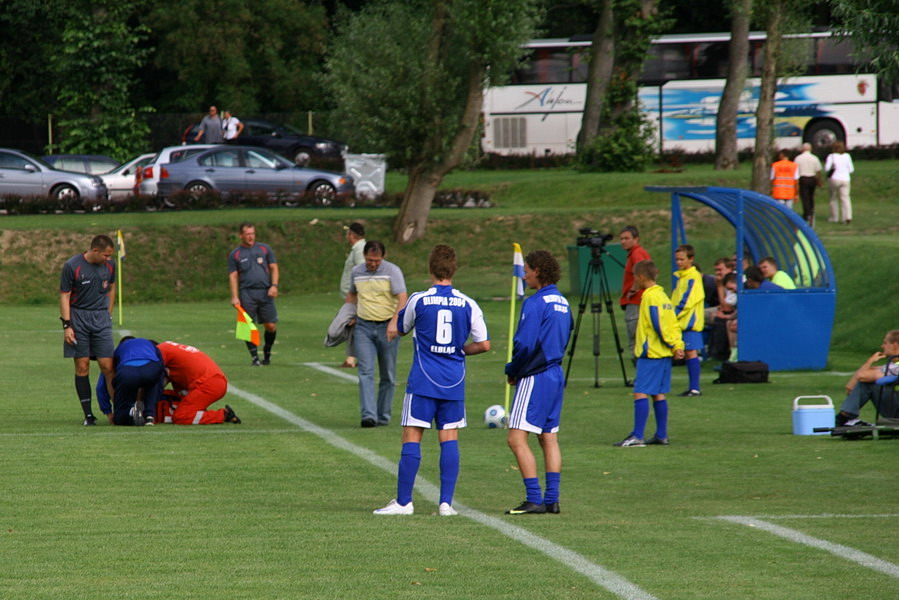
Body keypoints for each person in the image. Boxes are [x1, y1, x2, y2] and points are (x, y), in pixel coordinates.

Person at [373, 245, 491, 516]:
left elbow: (401, 329)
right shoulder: (468, 303)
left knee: (412, 436)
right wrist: (461, 350)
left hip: (423, 380)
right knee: (448, 437)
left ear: (430, 269)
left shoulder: (419, 299)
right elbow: (483, 344)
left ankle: (404, 503)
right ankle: (446, 504)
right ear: (454, 269)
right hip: (453, 380)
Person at [504, 250, 572, 515]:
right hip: (555, 374)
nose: (524, 274)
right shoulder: (563, 302)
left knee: (515, 438)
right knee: (548, 437)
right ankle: (552, 499)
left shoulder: (535, 303)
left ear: (538, 272)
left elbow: (524, 343)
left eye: (528, 270)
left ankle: (534, 498)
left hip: (536, 375)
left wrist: (513, 369)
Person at [614, 260, 684, 447]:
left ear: (641, 277)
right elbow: (672, 323)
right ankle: (661, 435)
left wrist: (672, 344)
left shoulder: (651, 297)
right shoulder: (663, 296)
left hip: (651, 353)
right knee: (658, 393)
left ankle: (637, 436)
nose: (633, 281)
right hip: (663, 354)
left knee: (640, 392)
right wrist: (677, 345)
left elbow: (658, 325)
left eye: (634, 278)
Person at [345, 240, 407, 428]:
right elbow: (352, 294)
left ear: (383, 257)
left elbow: (402, 297)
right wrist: (348, 314)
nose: (373, 264)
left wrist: (394, 323)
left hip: (386, 327)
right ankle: (368, 416)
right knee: (365, 371)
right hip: (363, 327)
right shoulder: (357, 272)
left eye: (377, 260)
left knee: (388, 374)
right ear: (364, 257)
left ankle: (383, 415)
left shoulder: (392, 271)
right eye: (370, 260)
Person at [60, 234, 117, 426]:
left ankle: (118, 411)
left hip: (101, 319)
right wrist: (67, 325)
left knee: (108, 366)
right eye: (106, 255)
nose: (108, 259)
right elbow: (65, 296)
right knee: (82, 365)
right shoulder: (72, 266)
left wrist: (107, 314)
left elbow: (111, 289)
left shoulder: (110, 266)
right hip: (78, 319)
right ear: (95, 251)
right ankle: (88, 415)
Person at [229, 223, 279, 366]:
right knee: (249, 326)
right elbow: (233, 276)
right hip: (247, 293)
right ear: (241, 235)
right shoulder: (236, 254)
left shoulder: (264, 249)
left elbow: (274, 267)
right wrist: (234, 296)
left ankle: (267, 352)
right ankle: (254, 357)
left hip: (265, 292)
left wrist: (274, 285)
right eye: (247, 234)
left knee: (270, 325)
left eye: (252, 233)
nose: (251, 237)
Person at [157, 341, 241, 425]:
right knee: (179, 399)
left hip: (208, 383)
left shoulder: (161, 350)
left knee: (180, 416)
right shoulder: (168, 349)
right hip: (211, 380)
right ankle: (200, 412)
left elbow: (155, 380)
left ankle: (223, 415)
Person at [835, 330, 899, 426]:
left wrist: (869, 363)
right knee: (868, 381)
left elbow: (861, 376)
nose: (882, 346)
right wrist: (869, 362)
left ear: (895, 345)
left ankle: (844, 418)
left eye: (885, 343)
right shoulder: (892, 366)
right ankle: (845, 418)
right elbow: (850, 388)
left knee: (870, 383)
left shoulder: (895, 368)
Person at [96, 337, 164, 426]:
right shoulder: (150, 345)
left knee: (119, 418)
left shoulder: (118, 351)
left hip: (127, 372)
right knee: (153, 381)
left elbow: (101, 386)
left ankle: (131, 411)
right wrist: (155, 400)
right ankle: (149, 417)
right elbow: (161, 372)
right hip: (150, 368)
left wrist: (108, 412)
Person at [671, 245, 705, 397]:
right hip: (680, 323)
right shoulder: (682, 277)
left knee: (691, 353)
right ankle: (692, 387)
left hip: (689, 324)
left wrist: (672, 314)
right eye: (677, 259)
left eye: (682, 259)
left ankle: (695, 388)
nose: (678, 262)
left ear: (691, 259)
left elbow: (687, 300)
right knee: (685, 353)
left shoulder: (693, 277)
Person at [619, 225, 652, 361]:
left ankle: (641, 377)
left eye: (627, 238)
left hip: (636, 301)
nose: (623, 241)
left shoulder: (637, 253)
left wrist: (633, 289)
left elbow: (642, 272)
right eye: (621, 239)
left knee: (635, 341)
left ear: (636, 239)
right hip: (641, 300)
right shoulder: (638, 252)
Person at [338, 223, 366, 368]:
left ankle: (353, 358)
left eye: (348, 233)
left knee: (354, 324)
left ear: (352, 234)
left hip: (356, 296)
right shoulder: (357, 249)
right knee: (352, 325)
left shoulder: (360, 249)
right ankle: (352, 357)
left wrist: (356, 295)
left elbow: (361, 272)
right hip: (352, 296)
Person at [824, 140, 854, 224]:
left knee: (833, 198)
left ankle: (834, 217)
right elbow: (851, 169)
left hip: (835, 178)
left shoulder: (831, 156)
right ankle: (847, 217)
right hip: (845, 179)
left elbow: (827, 168)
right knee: (845, 198)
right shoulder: (847, 156)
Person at [794, 142, 822, 227]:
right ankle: (811, 211)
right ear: (810, 149)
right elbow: (818, 171)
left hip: (803, 179)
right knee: (811, 196)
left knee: (805, 197)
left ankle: (807, 213)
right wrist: (819, 180)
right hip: (812, 178)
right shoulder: (814, 158)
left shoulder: (798, 158)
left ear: (803, 149)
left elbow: (795, 170)